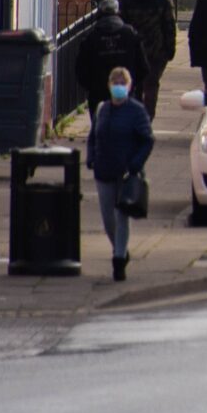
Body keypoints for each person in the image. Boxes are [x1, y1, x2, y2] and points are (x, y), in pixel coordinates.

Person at [85, 65, 153, 281]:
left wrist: (135, 164)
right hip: (104, 170)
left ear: (129, 86)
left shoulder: (136, 111)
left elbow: (147, 140)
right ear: (109, 85)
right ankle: (119, 248)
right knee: (108, 219)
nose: (119, 87)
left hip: (125, 172)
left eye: (122, 83)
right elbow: (93, 136)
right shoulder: (102, 109)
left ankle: (119, 260)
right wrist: (91, 157)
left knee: (121, 215)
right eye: (115, 83)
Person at [116, 0, 177, 113]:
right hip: (155, 49)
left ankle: (132, 113)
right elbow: (169, 24)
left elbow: (119, 22)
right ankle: (147, 117)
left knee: (132, 83)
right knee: (151, 84)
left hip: (130, 48)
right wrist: (170, 48)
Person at [78, 0, 148, 118]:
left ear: (99, 14)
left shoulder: (91, 38)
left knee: (99, 128)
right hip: (125, 92)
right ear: (118, 13)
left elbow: (80, 70)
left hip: (98, 94)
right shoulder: (130, 34)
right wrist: (132, 84)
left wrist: (92, 86)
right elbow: (143, 67)